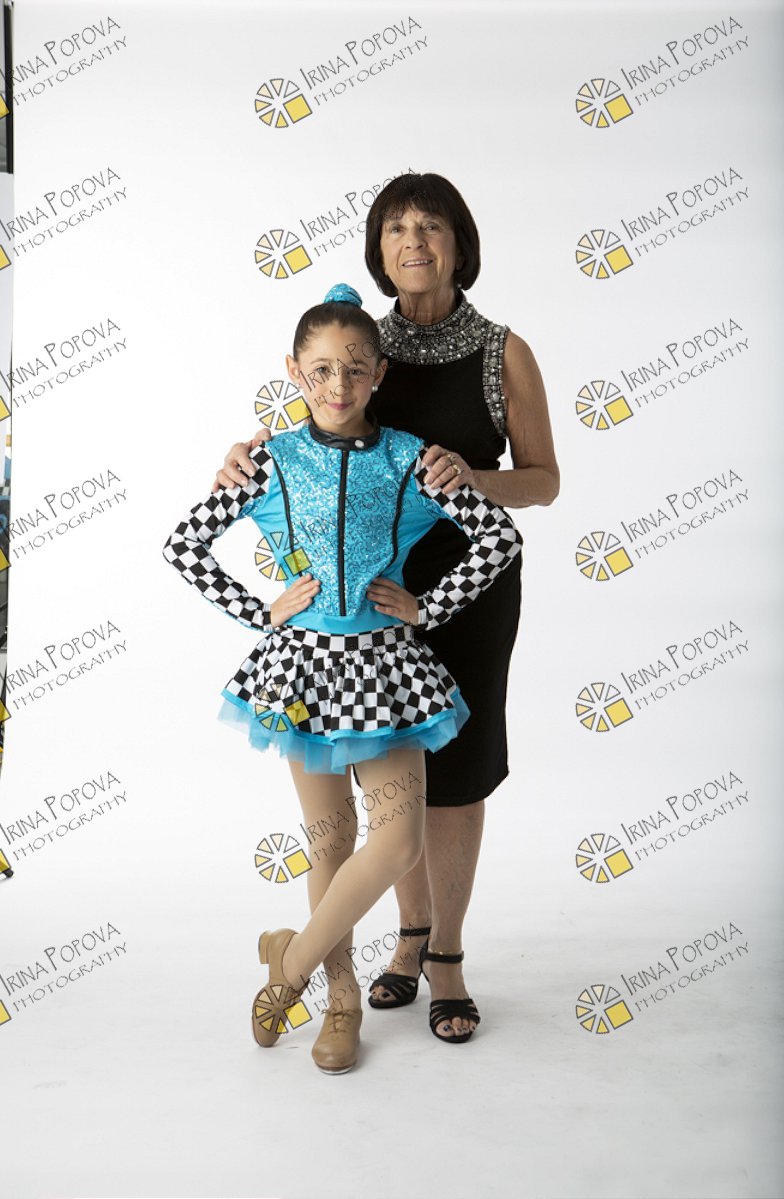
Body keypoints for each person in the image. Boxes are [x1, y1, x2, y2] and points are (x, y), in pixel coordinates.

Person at [213, 173, 560, 1041]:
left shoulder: (503, 352)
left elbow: (545, 480)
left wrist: (472, 481)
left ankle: (446, 954)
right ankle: (403, 941)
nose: (414, 242)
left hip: (462, 590)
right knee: (384, 795)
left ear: (460, 242)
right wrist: (240, 463)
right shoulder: (366, 345)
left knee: (458, 775)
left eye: (431, 226)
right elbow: (317, 434)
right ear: (377, 249)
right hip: (356, 609)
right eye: (396, 228)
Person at [163, 285, 523, 1071]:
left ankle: (287, 966)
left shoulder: (410, 458)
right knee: (329, 840)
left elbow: (499, 539)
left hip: (386, 669)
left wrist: (428, 606)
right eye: (321, 369)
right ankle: (340, 998)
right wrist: (260, 611)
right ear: (293, 371)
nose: (337, 384)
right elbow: (184, 545)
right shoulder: (270, 461)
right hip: (301, 670)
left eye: (355, 368)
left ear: (379, 373)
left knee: (394, 843)